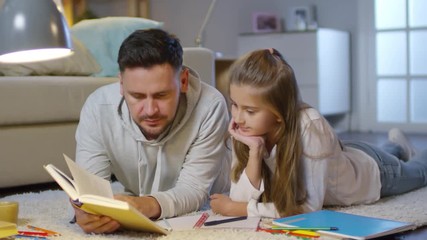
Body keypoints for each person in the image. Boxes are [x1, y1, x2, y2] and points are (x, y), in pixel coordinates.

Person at [209, 48, 427, 218]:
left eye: (250, 110)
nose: (237, 118)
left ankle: (398, 149)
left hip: (373, 172)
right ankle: (396, 146)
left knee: (420, 172)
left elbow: (308, 208)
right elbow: (240, 198)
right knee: (386, 153)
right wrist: (255, 152)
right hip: (343, 155)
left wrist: (240, 210)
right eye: (234, 104)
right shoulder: (246, 130)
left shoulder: (309, 125)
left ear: (279, 112)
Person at [73, 29, 231, 233]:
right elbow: (90, 189)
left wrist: (142, 205)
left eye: (162, 95)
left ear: (183, 81)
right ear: (121, 84)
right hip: (139, 193)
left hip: (216, 194)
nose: (150, 110)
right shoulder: (98, 107)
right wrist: (85, 212)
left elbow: (194, 190)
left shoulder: (211, 106)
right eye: (137, 96)